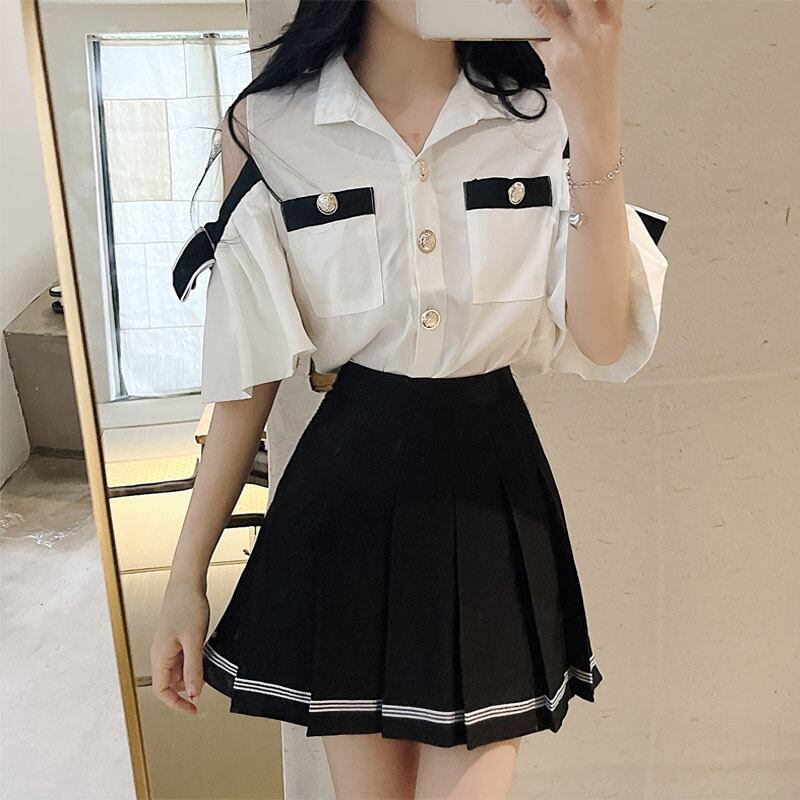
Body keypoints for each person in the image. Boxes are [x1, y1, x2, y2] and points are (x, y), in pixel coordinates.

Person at [151, 0, 668, 797]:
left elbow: (603, 339)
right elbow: (248, 372)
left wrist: (594, 118)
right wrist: (185, 577)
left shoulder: (538, 115)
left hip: (489, 497)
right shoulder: (272, 126)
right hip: (345, 504)